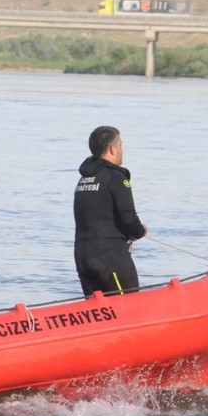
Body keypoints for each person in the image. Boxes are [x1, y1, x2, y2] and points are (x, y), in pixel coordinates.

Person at [73, 125, 148, 296]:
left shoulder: (84, 179)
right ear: (112, 149)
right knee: (127, 307)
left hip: (83, 257)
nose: (122, 149)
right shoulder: (116, 177)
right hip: (110, 259)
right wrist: (140, 231)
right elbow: (128, 217)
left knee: (99, 314)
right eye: (121, 145)